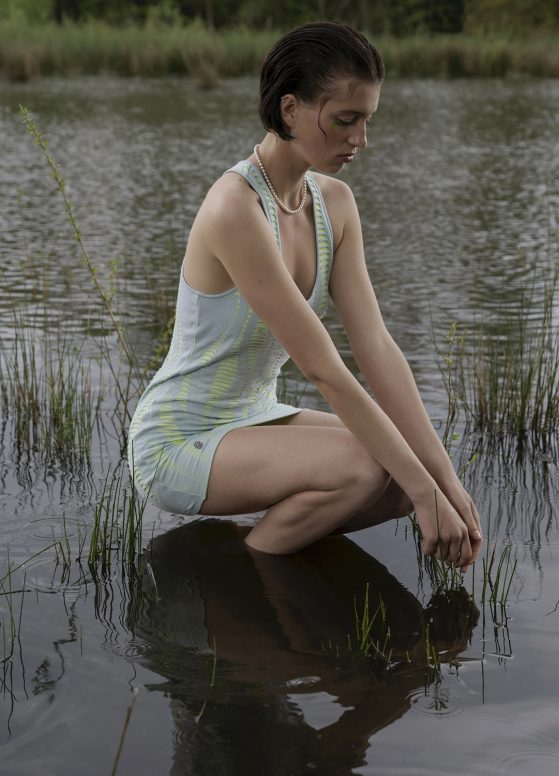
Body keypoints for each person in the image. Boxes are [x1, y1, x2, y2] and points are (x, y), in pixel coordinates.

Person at [127, 20, 482, 568]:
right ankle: (248, 574)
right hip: (179, 438)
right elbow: (323, 369)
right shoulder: (234, 209)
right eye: (345, 119)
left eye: (366, 120)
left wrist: (444, 483)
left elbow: (376, 346)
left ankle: (256, 555)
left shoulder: (334, 205)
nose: (360, 139)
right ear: (290, 109)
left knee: (401, 475)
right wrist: (426, 493)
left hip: (255, 416)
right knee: (365, 469)